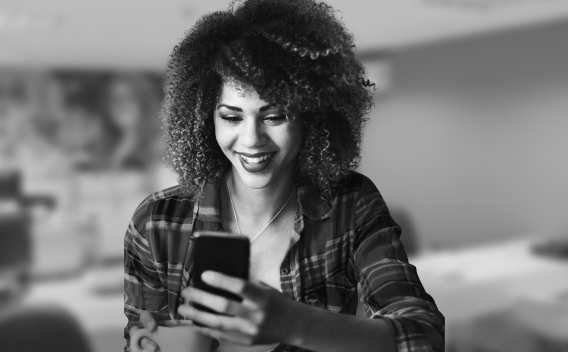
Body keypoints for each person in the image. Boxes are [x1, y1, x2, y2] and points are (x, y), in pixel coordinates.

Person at [124, 0, 445, 351]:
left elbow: (423, 335)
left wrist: (291, 322)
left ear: (312, 115)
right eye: (231, 117)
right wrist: (152, 342)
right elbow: (140, 333)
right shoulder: (157, 222)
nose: (251, 140)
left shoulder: (349, 204)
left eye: (274, 116)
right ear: (205, 118)